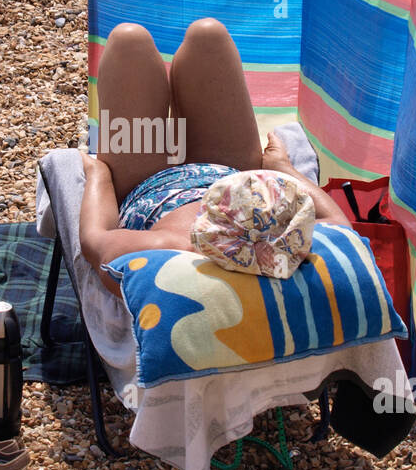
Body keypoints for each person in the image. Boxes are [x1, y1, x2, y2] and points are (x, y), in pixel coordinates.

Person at [79, 17, 349, 293]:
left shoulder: (167, 253)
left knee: (129, 41)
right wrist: (283, 168)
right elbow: (341, 228)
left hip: (150, 188)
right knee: (208, 35)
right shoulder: (275, 251)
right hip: (230, 173)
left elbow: (95, 240)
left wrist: (98, 175)